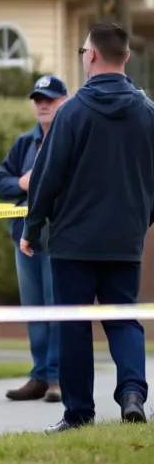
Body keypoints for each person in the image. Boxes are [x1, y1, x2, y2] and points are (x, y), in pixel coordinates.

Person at [23, 22, 154, 431]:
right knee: (123, 318)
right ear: (126, 57)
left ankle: (78, 414)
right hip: (125, 239)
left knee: (74, 325)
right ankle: (132, 393)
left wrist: (32, 226)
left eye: (83, 52)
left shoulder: (72, 112)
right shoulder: (148, 112)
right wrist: (142, 221)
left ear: (92, 55)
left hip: (73, 242)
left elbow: (47, 176)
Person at [0, 74, 68, 404]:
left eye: (50, 98)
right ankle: (39, 376)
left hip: (61, 235)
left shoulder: (72, 138)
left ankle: (57, 377)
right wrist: (23, 182)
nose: (43, 104)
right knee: (34, 306)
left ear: (64, 101)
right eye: (38, 99)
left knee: (57, 306)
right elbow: (1, 182)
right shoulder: (25, 143)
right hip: (24, 235)